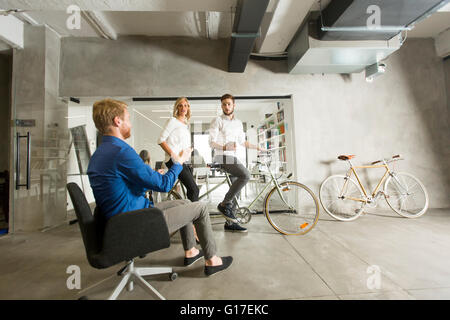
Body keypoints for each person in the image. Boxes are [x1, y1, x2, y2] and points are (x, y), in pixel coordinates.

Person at [87, 98, 232, 276]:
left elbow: (124, 190)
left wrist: (148, 178)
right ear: (118, 121)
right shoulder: (121, 151)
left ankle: (191, 252)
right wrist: (177, 162)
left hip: (122, 220)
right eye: (128, 118)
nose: (130, 123)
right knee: (200, 208)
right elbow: (164, 186)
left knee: (185, 201)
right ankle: (213, 261)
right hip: (134, 224)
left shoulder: (100, 153)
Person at [209, 94, 263, 233]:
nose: (226, 107)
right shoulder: (218, 121)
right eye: (224, 104)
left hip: (232, 157)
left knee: (236, 191)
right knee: (245, 175)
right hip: (221, 157)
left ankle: (230, 223)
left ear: (234, 105)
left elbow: (242, 142)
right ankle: (224, 204)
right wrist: (225, 147)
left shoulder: (238, 123)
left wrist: (256, 147)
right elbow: (211, 142)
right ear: (221, 106)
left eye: (229, 104)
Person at [158, 97, 199, 203]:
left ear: (188, 108)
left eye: (185, 105)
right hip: (175, 161)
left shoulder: (185, 124)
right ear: (177, 108)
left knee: (191, 190)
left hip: (184, 160)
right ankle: (195, 217)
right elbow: (160, 140)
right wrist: (174, 155)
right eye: (180, 105)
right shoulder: (173, 121)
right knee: (194, 190)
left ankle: (190, 213)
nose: (183, 107)